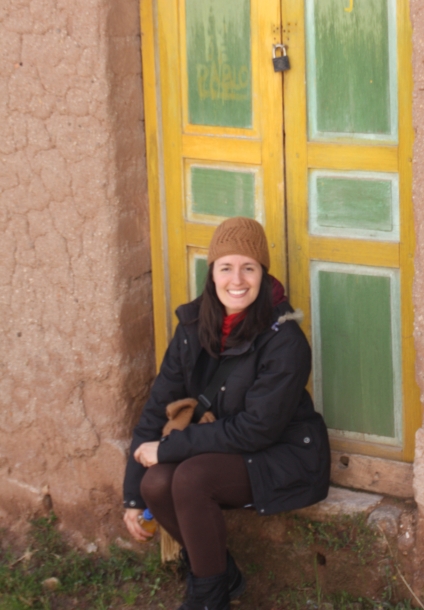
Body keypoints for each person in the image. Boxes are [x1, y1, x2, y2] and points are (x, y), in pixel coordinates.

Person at [123, 216, 330, 610]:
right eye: (226, 267)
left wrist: (167, 449)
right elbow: (157, 405)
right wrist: (132, 494)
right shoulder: (192, 327)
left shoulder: (285, 341)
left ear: (262, 274)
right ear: (212, 273)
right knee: (155, 483)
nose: (237, 280)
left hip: (282, 453)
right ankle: (222, 577)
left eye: (249, 268)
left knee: (191, 478)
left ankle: (208, 598)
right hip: (222, 445)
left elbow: (256, 430)